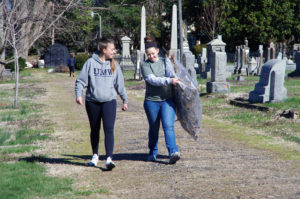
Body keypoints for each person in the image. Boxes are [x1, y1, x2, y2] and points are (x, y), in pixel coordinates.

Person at [75, 38, 128, 170]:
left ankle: (109, 159)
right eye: (112, 49)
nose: (114, 51)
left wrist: (124, 99)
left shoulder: (114, 64)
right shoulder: (90, 63)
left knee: (109, 128)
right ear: (104, 50)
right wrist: (78, 94)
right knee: (95, 129)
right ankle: (95, 155)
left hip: (109, 101)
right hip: (92, 102)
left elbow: (119, 84)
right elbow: (81, 81)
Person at [141, 36, 180, 164]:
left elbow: (172, 74)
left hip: (167, 100)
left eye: (153, 53)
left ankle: (173, 152)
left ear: (158, 51)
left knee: (168, 126)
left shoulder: (165, 61)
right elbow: (152, 80)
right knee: (154, 127)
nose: (151, 56)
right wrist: (169, 81)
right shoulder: (144, 64)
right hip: (151, 101)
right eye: (148, 54)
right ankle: (152, 152)